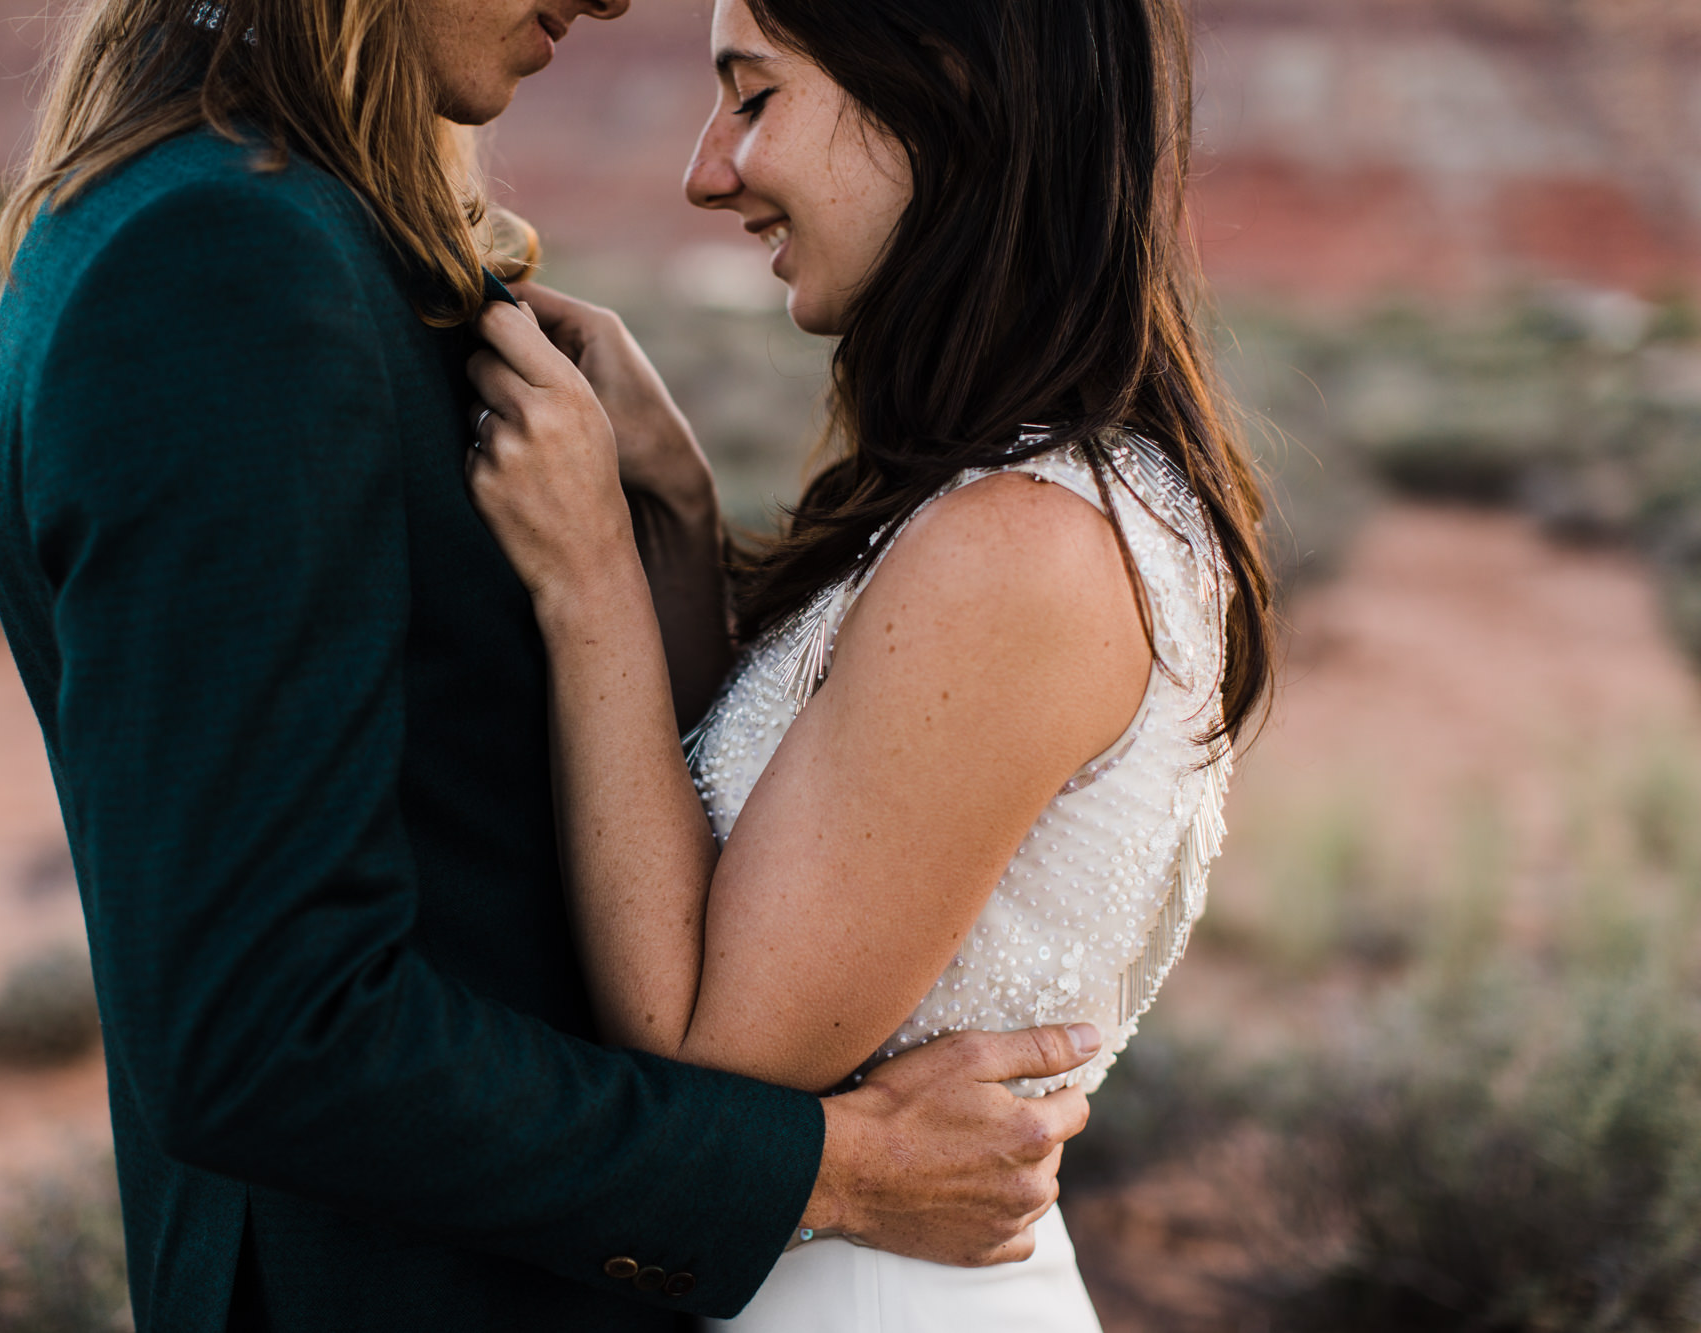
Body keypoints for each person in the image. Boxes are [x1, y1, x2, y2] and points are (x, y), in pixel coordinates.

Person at [0, 0, 1107, 1329]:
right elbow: (265, 1032)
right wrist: (834, 1169)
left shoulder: (297, 231)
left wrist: (666, 522)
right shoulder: (225, 262)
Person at [462, 0, 1279, 1325]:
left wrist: (588, 568)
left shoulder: (1025, 542)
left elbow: (710, 1049)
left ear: (943, 88)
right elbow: (754, 836)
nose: (706, 169)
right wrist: (670, 501)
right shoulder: (1032, 491)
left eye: (758, 95)